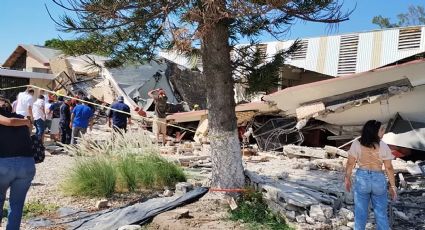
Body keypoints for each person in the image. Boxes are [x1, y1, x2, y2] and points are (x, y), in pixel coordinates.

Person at [345, 120, 397, 230]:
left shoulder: (357, 143)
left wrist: (347, 178)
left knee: (360, 213)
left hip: (362, 178)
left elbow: (350, 163)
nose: (383, 132)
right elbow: (388, 167)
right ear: (375, 132)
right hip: (378, 178)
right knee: (381, 214)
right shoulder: (383, 146)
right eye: (381, 130)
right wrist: (393, 186)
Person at [0, 96, 34, 230]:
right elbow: (29, 132)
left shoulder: (11, 119)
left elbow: (8, 121)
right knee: (17, 204)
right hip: (26, 163)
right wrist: (27, 120)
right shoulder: (21, 118)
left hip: (3, 163)